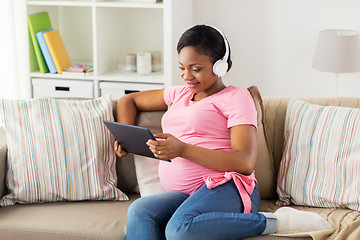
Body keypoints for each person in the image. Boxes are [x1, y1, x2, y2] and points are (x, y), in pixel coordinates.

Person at [114, 24, 332, 240]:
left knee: (178, 231)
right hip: (186, 197)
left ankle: (276, 221)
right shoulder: (178, 94)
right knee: (139, 211)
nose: (186, 76)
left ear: (219, 67)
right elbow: (129, 100)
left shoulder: (236, 98)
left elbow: (244, 162)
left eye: (196, 69)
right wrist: (127, 139)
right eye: (182, 67)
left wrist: (181, 149)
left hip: (229, 188)